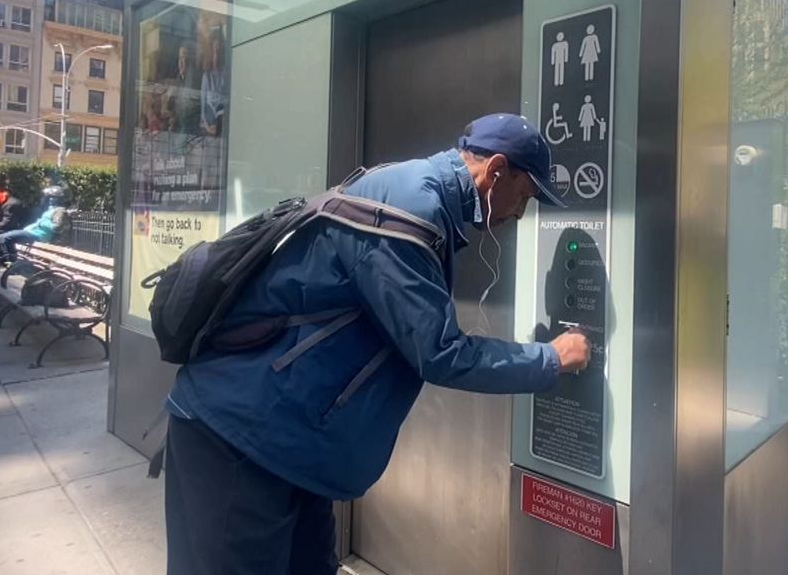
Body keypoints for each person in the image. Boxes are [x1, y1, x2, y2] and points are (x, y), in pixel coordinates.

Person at [162, 113, 591, 575]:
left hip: (288, 443)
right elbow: (441, 353)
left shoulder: (411, 192)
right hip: (239, 437)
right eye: (524, 195)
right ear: (497, 171)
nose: (520, 213)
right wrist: (550, 359)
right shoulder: (409, 213)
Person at [0, 185, 69, 260]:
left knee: (5, 238)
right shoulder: (50, 209)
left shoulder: (60, 210)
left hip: (39, 235)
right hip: (32, 232)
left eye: (53, 197)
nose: (50, 199)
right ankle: (12, 261)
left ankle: (11, 261)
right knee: (1, 237)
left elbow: (57, 227)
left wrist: (42, 223)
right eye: (49, 197)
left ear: (60, 199)